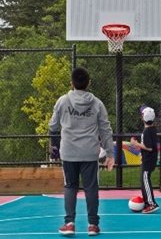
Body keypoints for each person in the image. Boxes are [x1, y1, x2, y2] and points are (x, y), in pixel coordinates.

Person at [49, 67, 115, 236]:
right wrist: (109, 153)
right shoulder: (97, 103)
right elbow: (105, 130)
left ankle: (69, 223)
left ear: (71, 83)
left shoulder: (62, 101)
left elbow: (53, 126)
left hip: (69, 152)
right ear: (89, 83)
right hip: (90, 153)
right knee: (91, 188)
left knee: (70, 186)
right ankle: (93, 225)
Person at [130, 105, 160, 214]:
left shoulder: (147, 131)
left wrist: (136, 144)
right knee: (144, 180)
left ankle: (151, 203)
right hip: (149, 159)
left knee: (146, 181)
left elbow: (149, 147)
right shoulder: (151, 129)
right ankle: (148, 202)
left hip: (148, 160)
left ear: (143, 117)